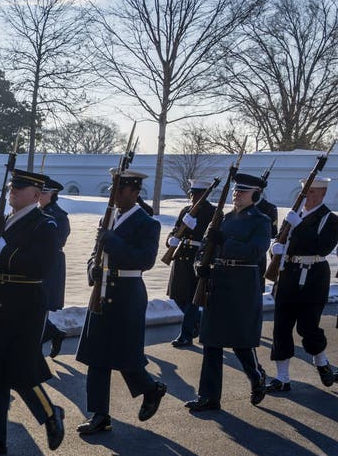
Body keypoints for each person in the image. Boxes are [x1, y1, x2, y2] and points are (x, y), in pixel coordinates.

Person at [0, 169, 65, 456]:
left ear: (36, 195)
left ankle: (50, 414)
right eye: (12, 187)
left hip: (25, 305)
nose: (13, 192)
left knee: (20, 370)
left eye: (20, 189)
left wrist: (6, 251)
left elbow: (40, 266)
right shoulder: (0, 223)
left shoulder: (44, 226)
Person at [74, 170, 167, 435]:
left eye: (120, 190)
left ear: (135, 192)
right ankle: (99, 414)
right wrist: (92, 267)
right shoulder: (110, 217)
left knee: (126, 354)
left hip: (127, 292)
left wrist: (112, 240)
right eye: (113, 189)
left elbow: (145, 260)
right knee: (97, 356)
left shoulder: (147, 223)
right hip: (102, 290)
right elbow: (96, 253)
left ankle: (151, 389)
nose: (113, 195)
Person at [186, 173, 273, 412]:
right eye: (236, 191)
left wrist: (225, 242)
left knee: (241, 341)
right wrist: (200, 266)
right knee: (211, 341)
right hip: (218, 281)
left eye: (243, 191)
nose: (237, 194)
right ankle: (209, 396)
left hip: (242, 284)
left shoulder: (261, 221)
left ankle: (256, 377)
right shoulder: (223, 218)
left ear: (255, 194)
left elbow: (256, 252)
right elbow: (205, 246)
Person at [267, 177, 338, 392]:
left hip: (314, 275)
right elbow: (280, 241)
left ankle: (322, 362)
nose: (308, 196)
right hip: (288, 273)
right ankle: (282, 377)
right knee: (281, 326)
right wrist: (275, 251)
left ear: (323, 194)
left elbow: (322, 247)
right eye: (306, 192)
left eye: (313, 192)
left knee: (308, 326)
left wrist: (301, 226)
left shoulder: (330, 219)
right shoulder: (294, 215)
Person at [166, 179, 215, 348]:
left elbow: (212, 238)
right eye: (191, 193)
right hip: (180, 255)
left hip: (197, 258)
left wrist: (196, 229)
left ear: (204, 194)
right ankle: (200, 323)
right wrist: (171, 239)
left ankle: (186, 335)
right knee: (177, 296)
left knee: (192, 299)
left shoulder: (212, 212)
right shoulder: (185, 210)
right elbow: (175, 229)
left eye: (196, 194)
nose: (193, 197)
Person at [38, 178, 70, 357]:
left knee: (40, 307)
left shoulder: (59, 216)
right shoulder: (36, 212)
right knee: (33, 307)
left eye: (44, 192)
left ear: (53, 194)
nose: (40, 196)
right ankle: (54, 333)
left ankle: (37, 351)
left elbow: (56, 242)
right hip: (36, 264)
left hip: (50, 266)